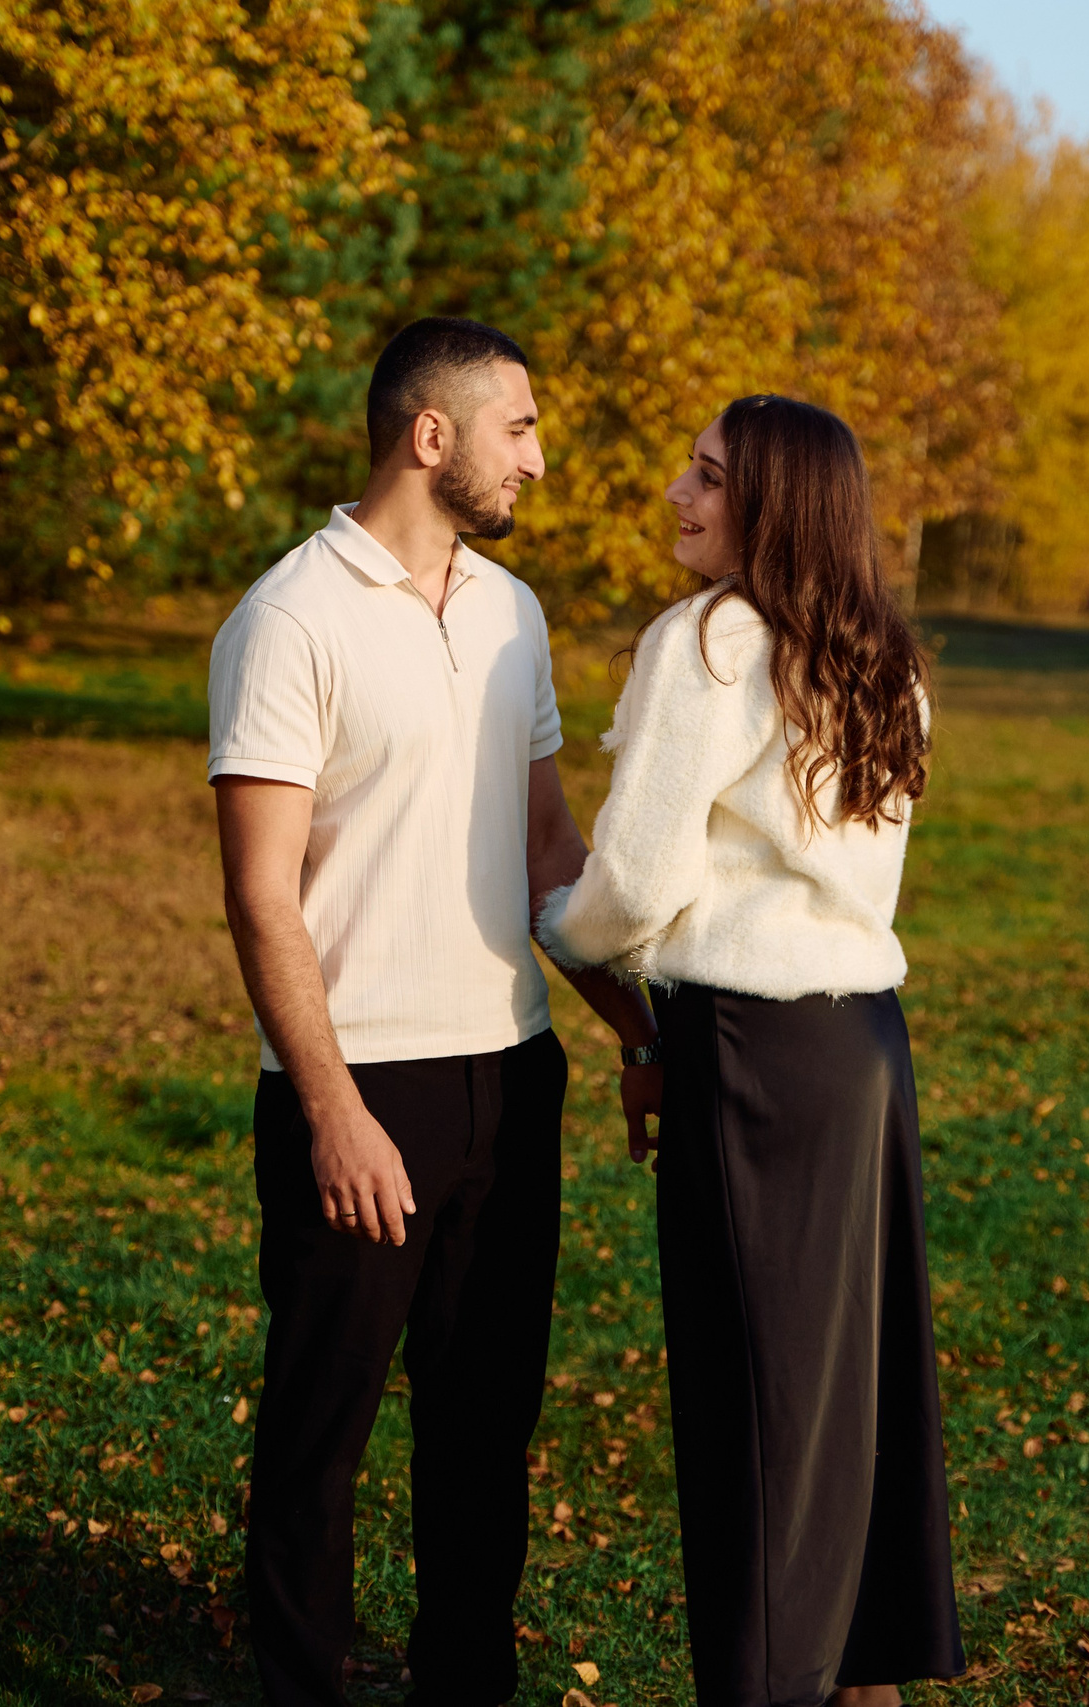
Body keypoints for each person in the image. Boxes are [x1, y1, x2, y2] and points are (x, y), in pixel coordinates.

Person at [207, 317, 661, 1707]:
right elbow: (261, 896)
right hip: (365, 1090)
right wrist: (334, 1112)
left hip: (512, 1081)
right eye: (518, 426)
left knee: (484, 1428)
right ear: (431, 436)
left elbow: (546, 856)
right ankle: (302, 1685)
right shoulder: (287, 618)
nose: (540, 454)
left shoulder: (511, 611)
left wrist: (635, 1027)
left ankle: (464, 1684)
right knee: (320, 1431)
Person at [537, 394, 965, 1707]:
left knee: (758, 1409)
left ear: (774, 504)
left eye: (711, 476)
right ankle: (864, 1680)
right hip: (862, 1053)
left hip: (754, 1055)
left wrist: (553, 923)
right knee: (854, 1388)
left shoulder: (710, 640)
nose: (678, 491)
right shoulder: (880, 654)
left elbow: (636, 881)